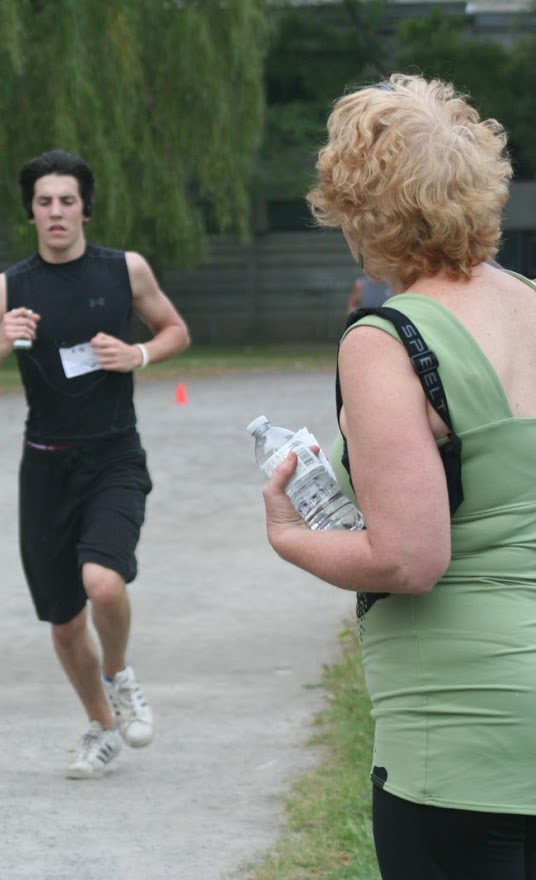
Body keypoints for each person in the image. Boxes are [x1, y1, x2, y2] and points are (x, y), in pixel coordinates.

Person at [264, 74, 536, 879]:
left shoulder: (385, 340)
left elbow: (410, 559)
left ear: (360, 209)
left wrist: (289, 536)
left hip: (460, 725)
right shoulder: (531, 302)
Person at [0, 149, 190, 779]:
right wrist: (1, 343)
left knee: (103, 583)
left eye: (67, 200)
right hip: (45, 467)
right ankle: (102, 727)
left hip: (114, 454)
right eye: (43, 202)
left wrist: (137, 353)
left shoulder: (124, 270)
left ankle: (119, 673)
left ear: (85, 207)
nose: (56, 211)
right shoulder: (7, 289)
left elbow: (175, 330)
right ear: (30, 212)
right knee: (63, 625)